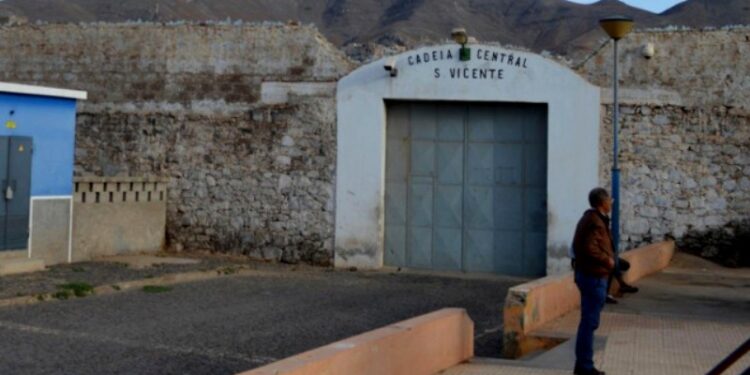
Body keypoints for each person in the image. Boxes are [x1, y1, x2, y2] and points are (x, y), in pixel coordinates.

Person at [571, 187, 616, 375]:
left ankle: (583, 364)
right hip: (593, 277)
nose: (611, 202)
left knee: (588, 322)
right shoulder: (595, 222)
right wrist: (608, 260)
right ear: (601, 203)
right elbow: (590, 248)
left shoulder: (591, 219)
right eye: (609, 200)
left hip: (589, 275)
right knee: (589, 323)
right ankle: (584, 367)